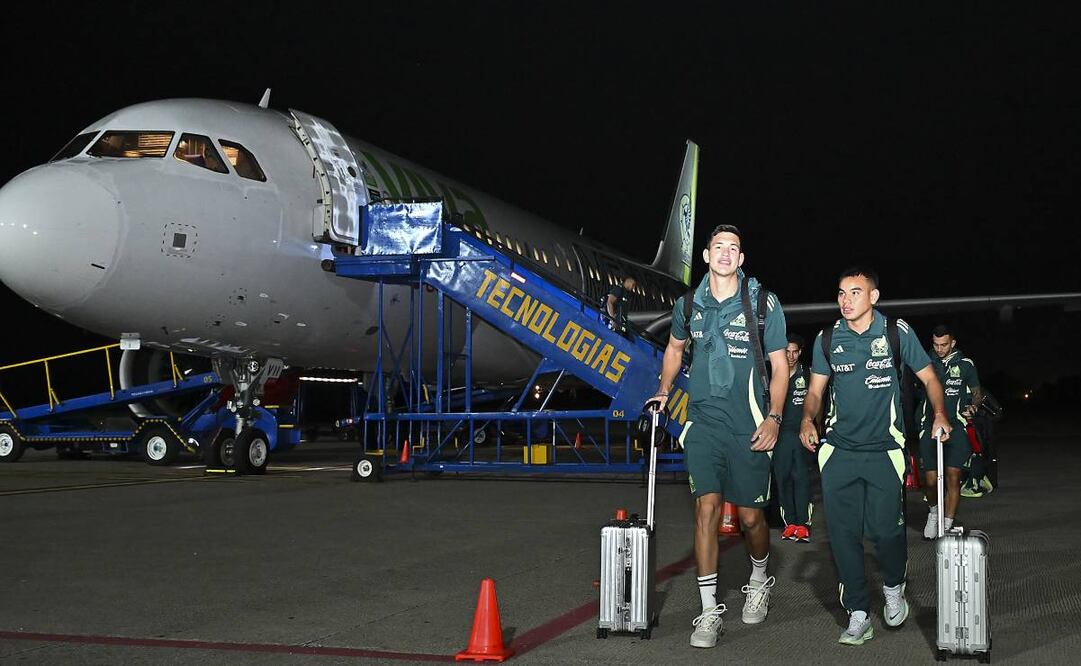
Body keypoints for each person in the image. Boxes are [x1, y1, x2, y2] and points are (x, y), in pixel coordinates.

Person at [646, 224, 788, 649]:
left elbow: (780, 367)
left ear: (741, 260)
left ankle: (760, 577)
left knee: (749, 518)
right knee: (706, 511)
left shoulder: (763, 303)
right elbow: (674, 348)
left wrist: (775, 417)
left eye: (734, 248)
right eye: (718, 247)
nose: (726, 253)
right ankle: (708, 612)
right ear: (706, 256)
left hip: (749, 427)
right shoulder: (689, 304)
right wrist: (663, 390)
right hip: (704, 425)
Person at [799, 267, 951, 646]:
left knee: (887, 531)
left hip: (885, 451)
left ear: (874, 297)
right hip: (839, 452)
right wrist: (806, 418)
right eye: (840, 293)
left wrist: (939, 413)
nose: (845, 300)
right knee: (844, 535)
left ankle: (893, 586)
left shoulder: (896, 333)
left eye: (855, 292)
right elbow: (816, 391)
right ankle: (858, 611)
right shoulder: (827, 338)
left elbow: (930, 378)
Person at [919, 325, 983, 538]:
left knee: (953, 477)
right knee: (930, 480)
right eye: (936, 345)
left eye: (944, 344)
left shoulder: (966, 364)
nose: (939, 349)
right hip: (929, 426)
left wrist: (973, 405)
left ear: (953, 343)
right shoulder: (924, 362)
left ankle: (947, 524)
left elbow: (976, 392)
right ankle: (933, 513)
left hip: (956, 427)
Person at [775, 333, 813, 542]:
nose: (790, 356)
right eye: (786, 351)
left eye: (794, 351)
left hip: (800, 434)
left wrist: (814, 428)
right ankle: (789, 524)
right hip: (779, 435)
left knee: (801, 478)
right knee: (783, 478)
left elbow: (817, 401)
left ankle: (803, 524)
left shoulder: (807, 373)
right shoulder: (773, 373)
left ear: (800, 352)